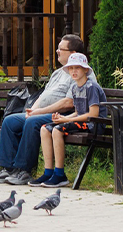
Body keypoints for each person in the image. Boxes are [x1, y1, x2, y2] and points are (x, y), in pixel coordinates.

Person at [0, 35, 86, 185]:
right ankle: (8, 169)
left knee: (33, 122)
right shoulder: (58, 73)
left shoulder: (79, 73)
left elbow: (68, 103)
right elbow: (44, 95)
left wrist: (37, 113)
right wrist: (32, 110)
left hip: (61, 115)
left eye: (61, 49)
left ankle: (24, 171)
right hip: (42, 112)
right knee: (10, 121)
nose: (57, 51)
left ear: (73, 53)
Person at [35, 52, 106, 188]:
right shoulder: (74, 87)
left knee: (57, 130)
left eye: (77, 68)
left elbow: (93, 114)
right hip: (83, 121)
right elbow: (78, 112)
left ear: (85, 70)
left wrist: (64, 122)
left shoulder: (91, 87)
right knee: (45, 129)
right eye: (71, 68)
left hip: (94, 125)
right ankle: (48, 172)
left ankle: (60, 174)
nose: (73, 71)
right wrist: (64, 118)